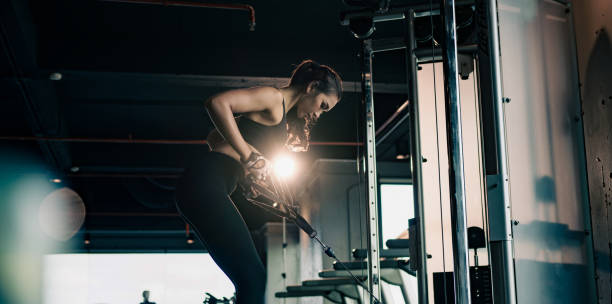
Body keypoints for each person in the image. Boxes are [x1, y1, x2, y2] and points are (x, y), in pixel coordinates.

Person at [174, 60, 342, 304]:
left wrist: (247, 167)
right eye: (323, 106)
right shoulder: (274, 99)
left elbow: (213, 137)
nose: (318, 114)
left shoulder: (280, 118)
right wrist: (249, 156)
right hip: (204, 185)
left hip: (203, 186)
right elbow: (217, 103)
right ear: (312, 87)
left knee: (250, 279)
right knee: (252, 280)